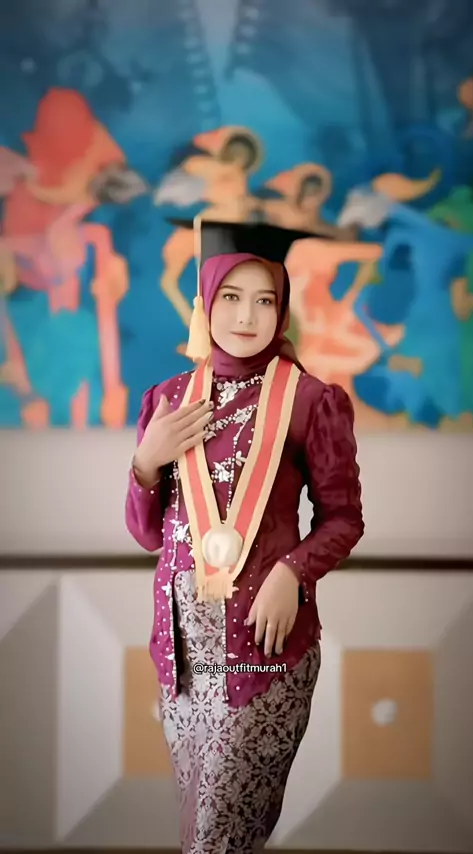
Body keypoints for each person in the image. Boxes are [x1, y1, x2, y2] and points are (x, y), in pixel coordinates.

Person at [125, 219, 364, 853]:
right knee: (203, 837)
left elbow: (344, 518)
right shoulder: (168, 400)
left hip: (265, 648)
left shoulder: (312, 401)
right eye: (230, 297)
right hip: (184, 655)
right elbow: (147, 533)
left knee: (218, 840)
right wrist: (145, 463)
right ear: (205, 302)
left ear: (282, 308)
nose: (247, 316)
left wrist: (293, 571)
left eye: (264, 300)